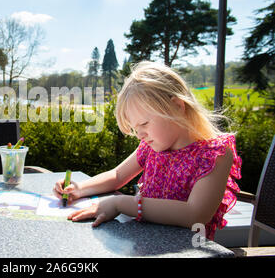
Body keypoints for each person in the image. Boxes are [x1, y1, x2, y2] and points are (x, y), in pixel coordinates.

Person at [53, 61, 242, 240]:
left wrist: (120, 203)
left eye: (144, 123)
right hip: (143, 243)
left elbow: (194, 214)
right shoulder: (152, 147)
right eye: (136, 128)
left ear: (176, 106)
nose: (140, 134)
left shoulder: (215, 154)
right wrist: (77, 189)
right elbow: (118, 176)